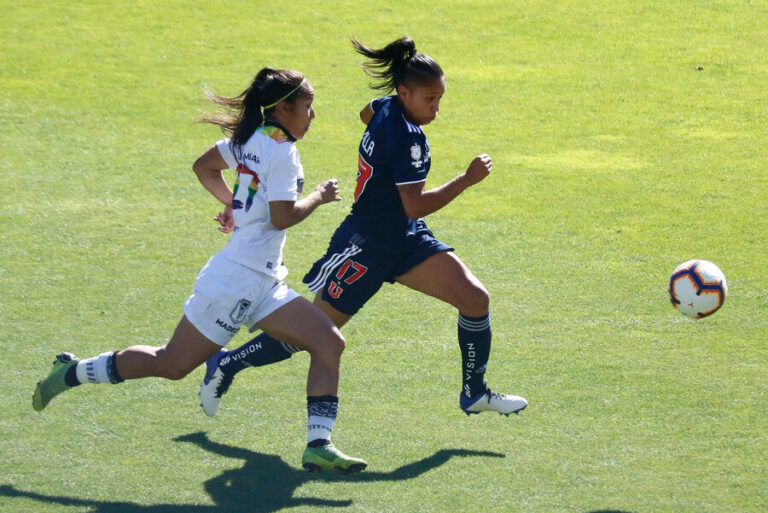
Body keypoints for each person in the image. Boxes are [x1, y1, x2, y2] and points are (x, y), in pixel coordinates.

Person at [32, 67, 367, 474]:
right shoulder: (282, 151)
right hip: (233, 280)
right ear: (284, 107)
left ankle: (318, 445)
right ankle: (71, 372)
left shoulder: (250, 139)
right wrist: (318, 196)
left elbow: (204, 167)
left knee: (328, 343)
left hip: (262, 280)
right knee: (171, 365)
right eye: (308, 107)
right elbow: (282, 217)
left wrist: (236, 206)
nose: (312, 116)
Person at [200, 37, 528, 420]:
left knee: (474, 299)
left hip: (404, 238)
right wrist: (467, 179)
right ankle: (227, 364)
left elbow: (365, 113)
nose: (436, 108)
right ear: (405, 93)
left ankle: (475, 393)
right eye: (429, 99)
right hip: (366, 245)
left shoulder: (386, 107)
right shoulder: (406, 139)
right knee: (312, 336)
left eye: (439, 98)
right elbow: (417, 204)